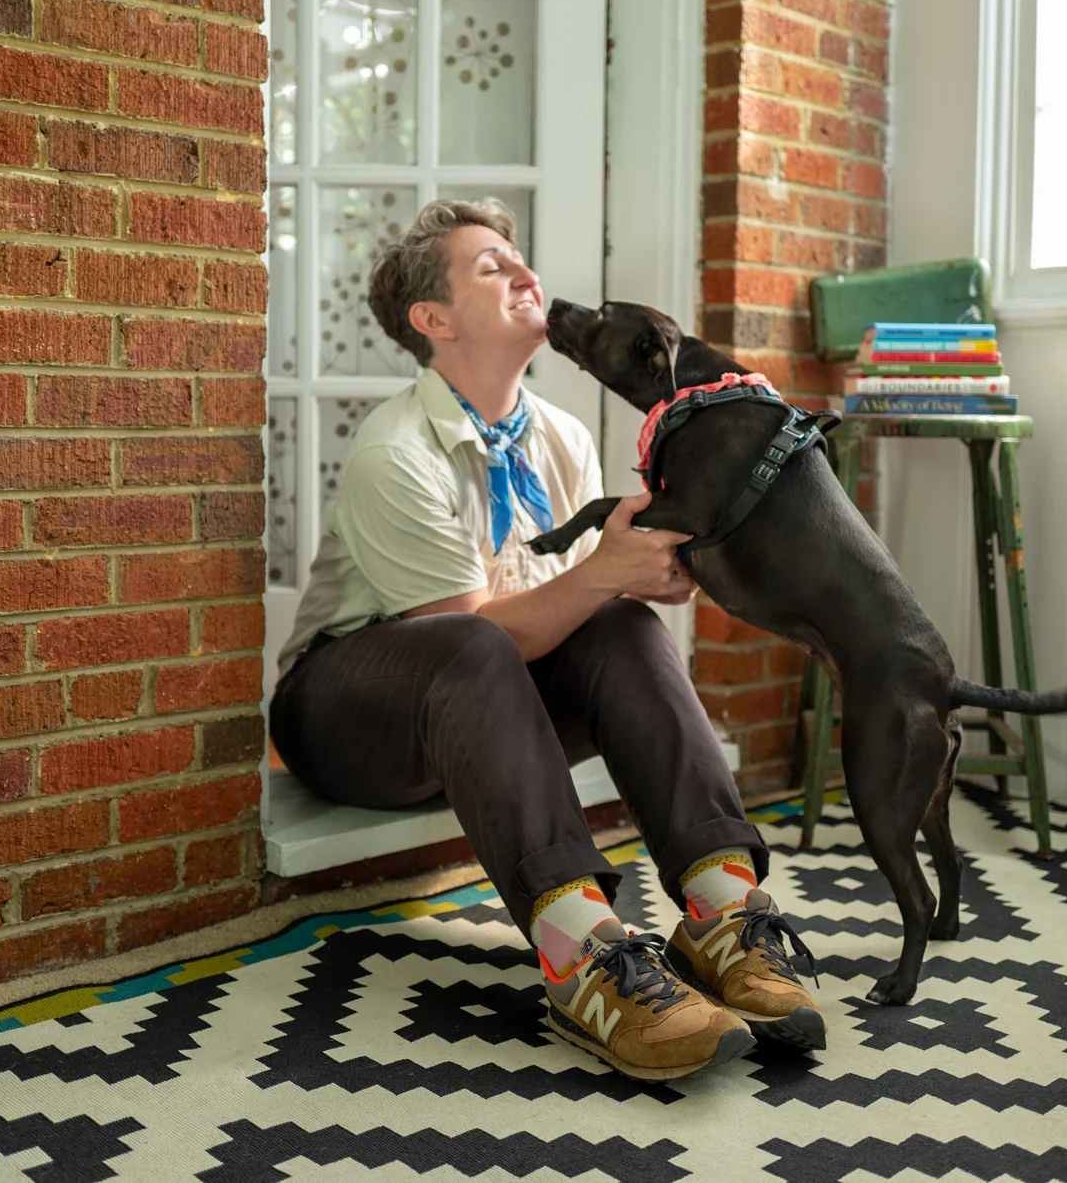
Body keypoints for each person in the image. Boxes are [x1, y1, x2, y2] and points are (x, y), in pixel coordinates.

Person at [269, 198, 825, 1080]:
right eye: (491, 266)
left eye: (518, 256)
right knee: (481, 638)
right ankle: (582, 955)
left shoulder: (562, 438)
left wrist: (643, 573)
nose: (526, 273)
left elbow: (569, 611)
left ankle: (723, 911)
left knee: (619, 620)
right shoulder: (396, 449)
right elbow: (471, 631)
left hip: (492, 705)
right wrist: (604, 569)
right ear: (434, 320)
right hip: (349, 718)